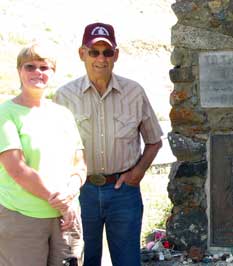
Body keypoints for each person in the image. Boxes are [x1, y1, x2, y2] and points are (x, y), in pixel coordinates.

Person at [55, 22, 163, 266]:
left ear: (116, 55)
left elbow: (154, 141)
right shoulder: (64, 96)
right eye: (94, 52)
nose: (101, 59)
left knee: (127, 261)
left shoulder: (134, 92)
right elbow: (55, 150)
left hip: (123, 192)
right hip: (81, 194)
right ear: (82, 54)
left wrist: (138, 172)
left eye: (107, 52)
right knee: (83, 260)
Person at [0, 43, 86, 265]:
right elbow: (18, 170)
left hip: (66, 220)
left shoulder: (63, 114)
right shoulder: (6, 113)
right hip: (23, 217)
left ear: (53, 73)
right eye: (30, 67)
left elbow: (80, 163)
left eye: (44, 67)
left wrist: (72, 190)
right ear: (19, 71)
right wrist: (63, 204)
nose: (37, 72)